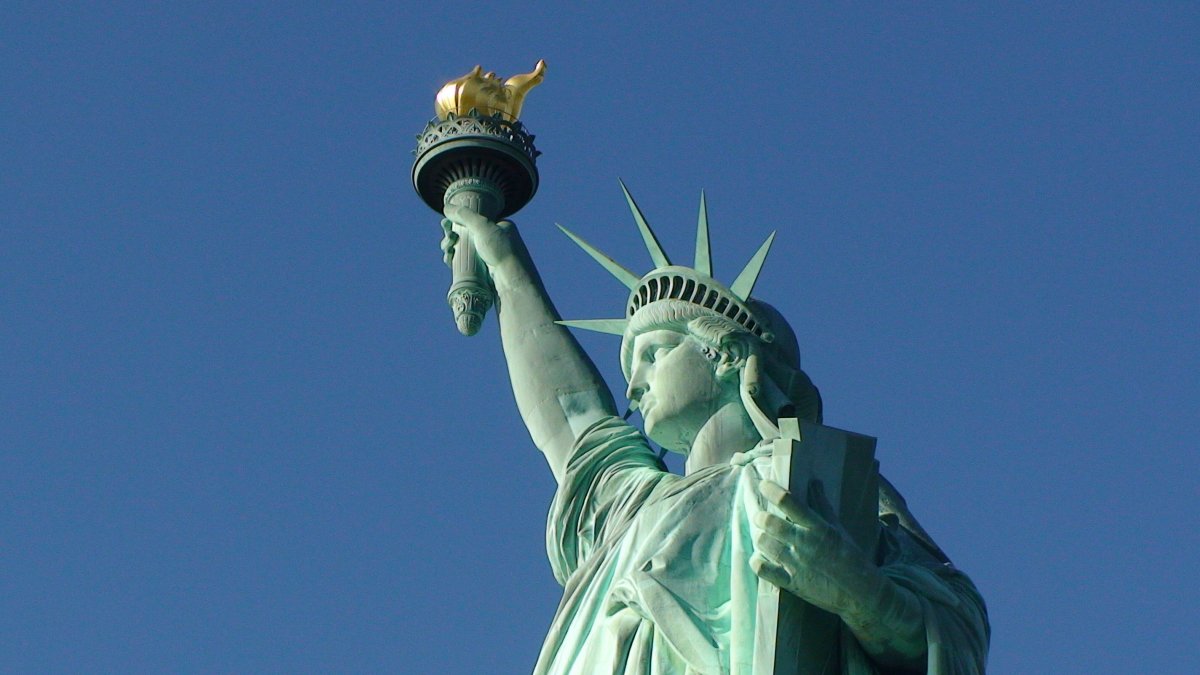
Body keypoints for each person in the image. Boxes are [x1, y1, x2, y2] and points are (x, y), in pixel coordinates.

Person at [439, 194, 989, 674]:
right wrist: (504, 262)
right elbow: (573, 414)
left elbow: (956, 621)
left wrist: (861, 593)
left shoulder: (814, 482)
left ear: (725, 353)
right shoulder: (635, 507)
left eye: (653, 353)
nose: (632, 385)